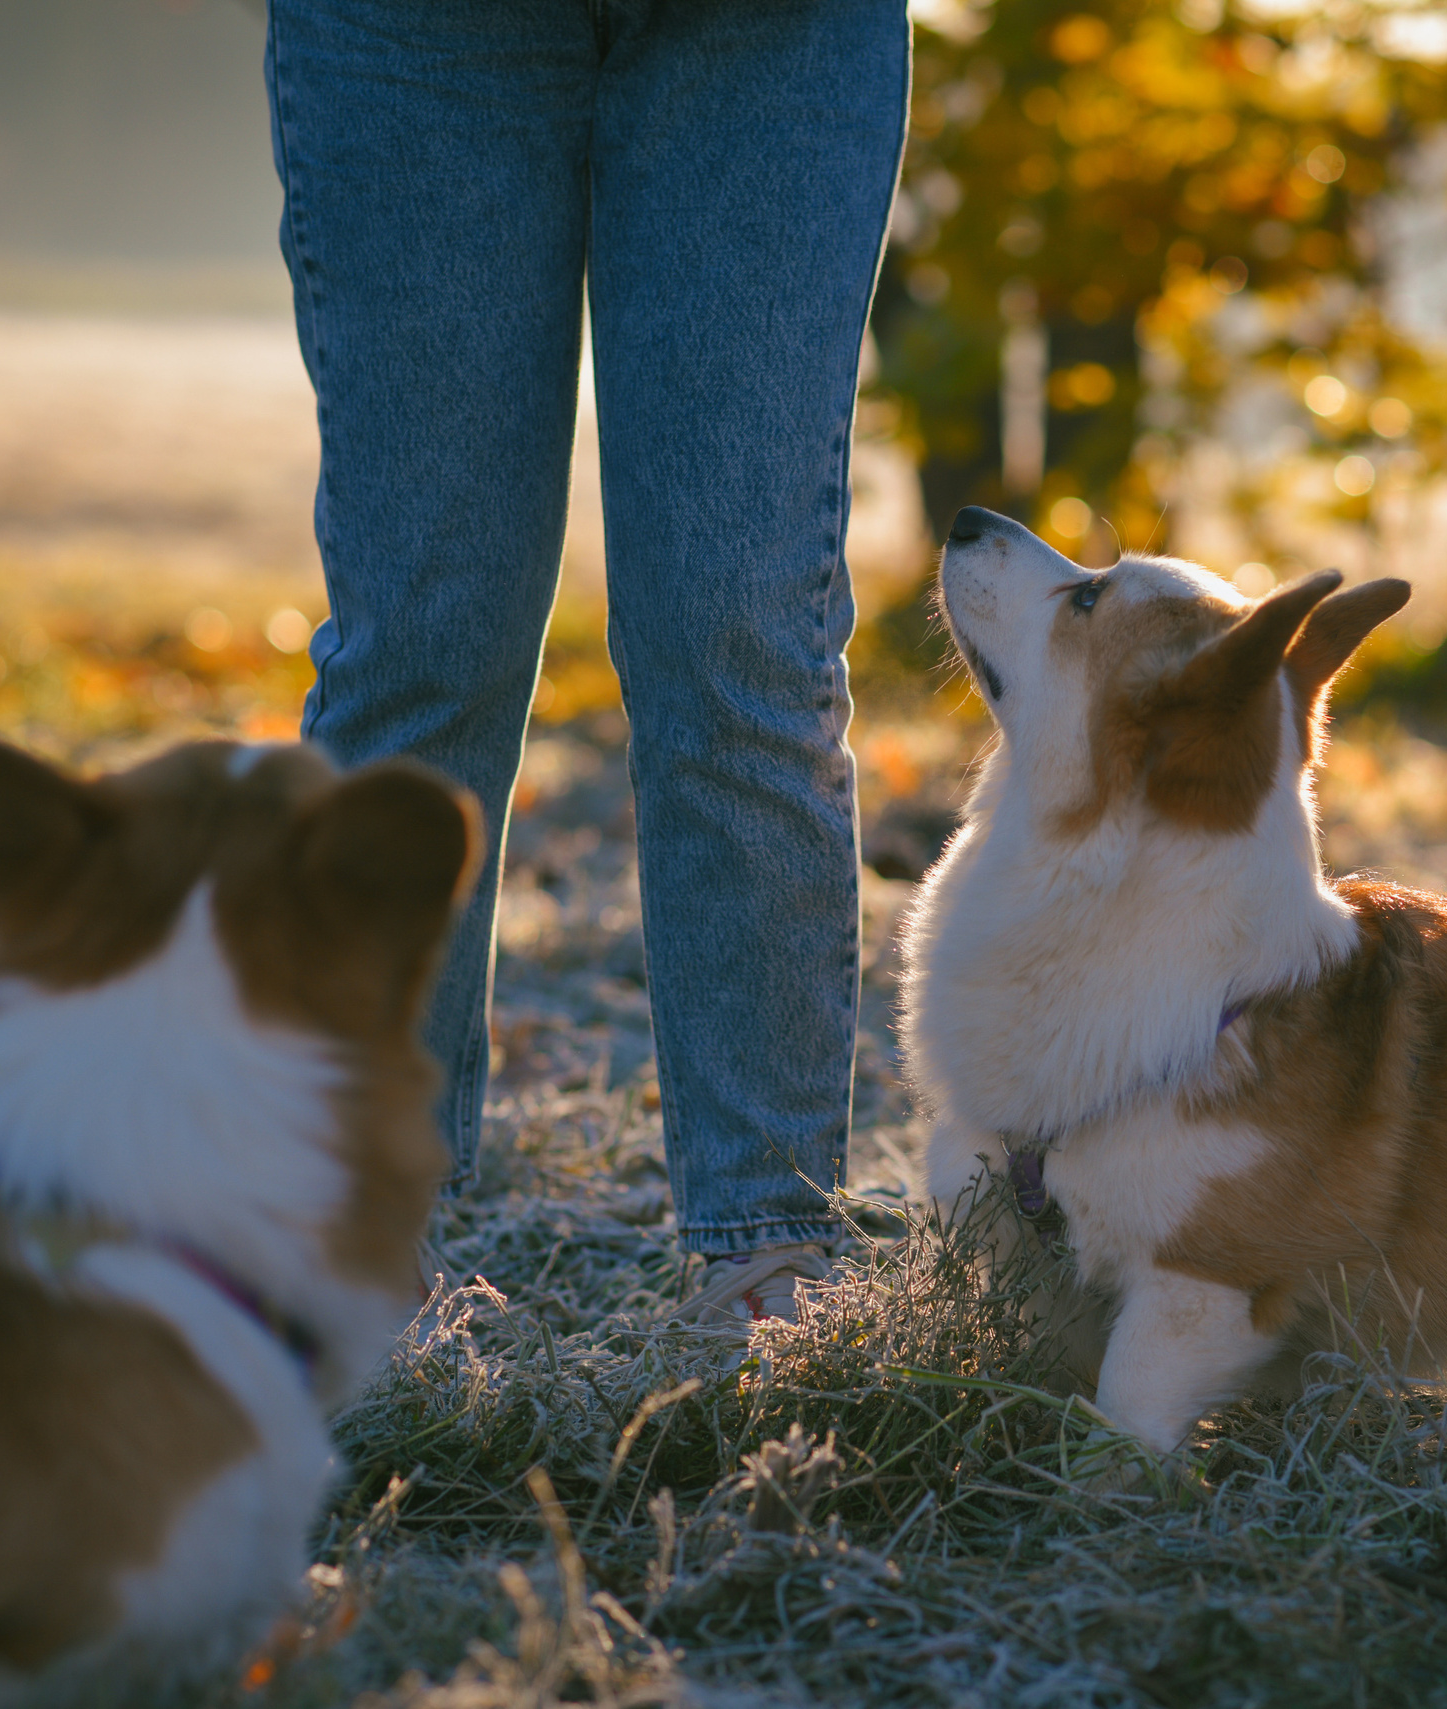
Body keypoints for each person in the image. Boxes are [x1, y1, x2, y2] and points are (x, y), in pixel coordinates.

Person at [263, 0, 909, 1323]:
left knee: (739, 628)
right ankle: (360, 1236)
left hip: (771, 37)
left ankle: (769, 1241)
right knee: (425, 642)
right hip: (412, 39)